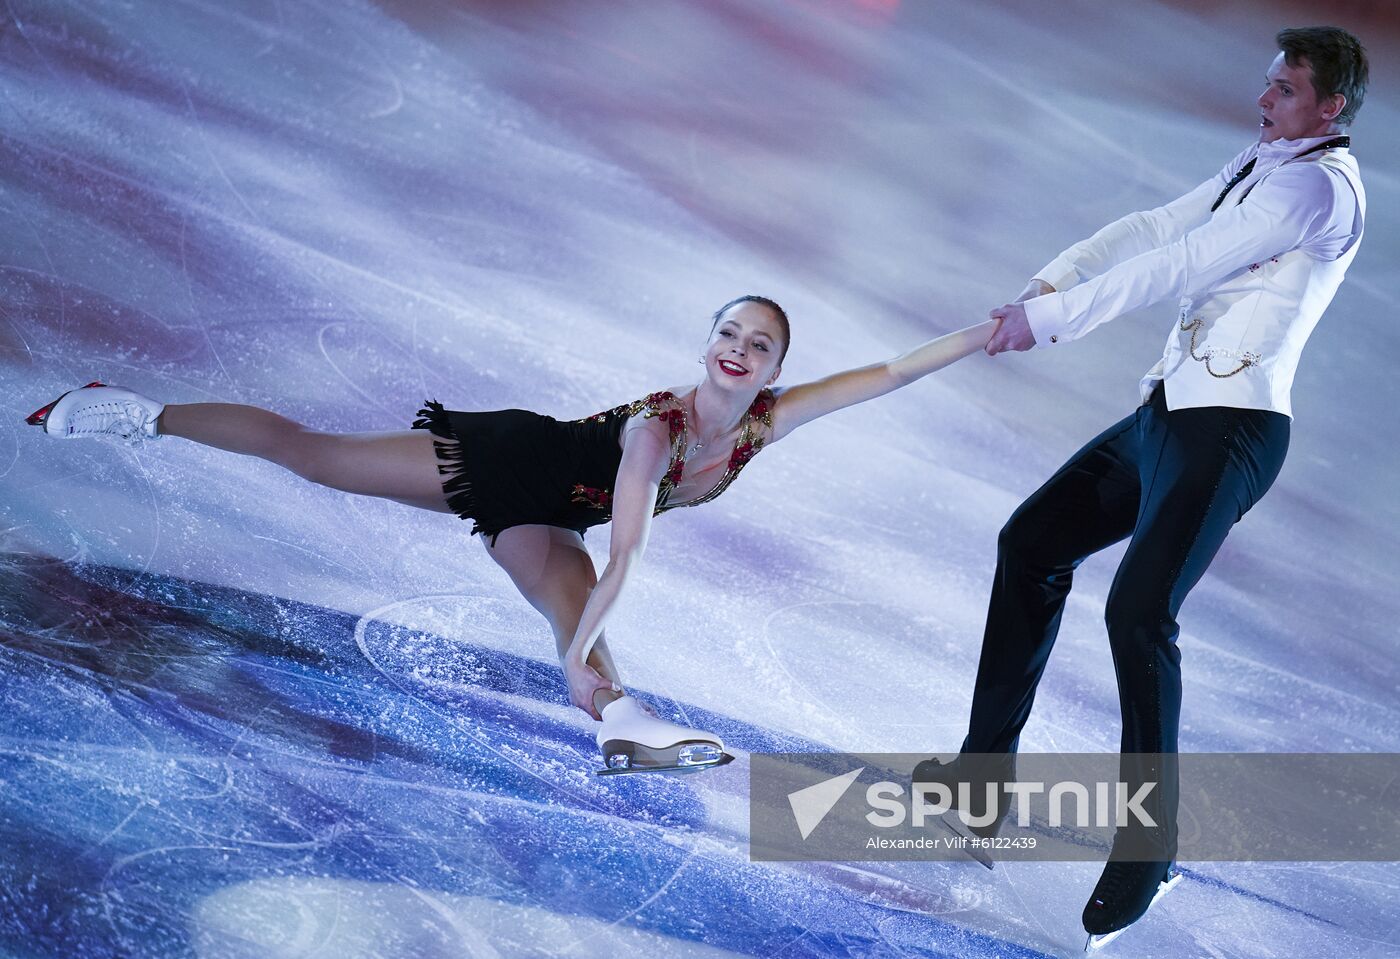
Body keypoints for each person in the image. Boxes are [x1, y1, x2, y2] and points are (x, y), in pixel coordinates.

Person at [29, 295, 999, 774]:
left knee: (573, 631)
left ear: (776, 364)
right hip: (507, 464)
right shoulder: (656, 429)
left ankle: (621, 721)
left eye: (760, 344)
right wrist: (588, 615)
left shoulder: (763, 418)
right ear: (707, 343)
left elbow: (888, 373)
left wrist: (991, 333)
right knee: (312, 454)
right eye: (731, 335)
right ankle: (132, 411)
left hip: (558, 515)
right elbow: (627, 549)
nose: (741, 351)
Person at [914, 25, 1368, 946]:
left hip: (1231, 430)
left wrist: (1047, 324)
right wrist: (1054, 278)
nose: (1264, 101)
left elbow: (1180, 266)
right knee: (1032, 543)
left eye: (1285, 91)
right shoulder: (1268, 157)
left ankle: (1151, 846)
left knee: (1139, 610)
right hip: (1169, 414)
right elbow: (1158, 225)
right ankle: (981, 775)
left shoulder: (1317, 188)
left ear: (1333, 106)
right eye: (1268, 83)